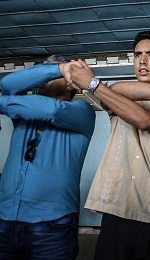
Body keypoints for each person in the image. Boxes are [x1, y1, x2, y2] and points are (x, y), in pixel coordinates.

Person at [67, 31, 150, 260]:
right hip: (115, 213)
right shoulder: (120, 95)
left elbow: (145, 120)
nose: (142, 60)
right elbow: (116, 89)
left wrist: (93, 83)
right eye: (138, 55)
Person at [0, 55, 96, 259]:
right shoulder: (21, 111)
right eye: (42, 72)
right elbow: (6, 83)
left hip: (52, 226)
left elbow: (52, 110)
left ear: (71, 85)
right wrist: (60, 69)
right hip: (5, 219)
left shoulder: (83, 112)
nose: (42, 77)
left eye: (51, 73)